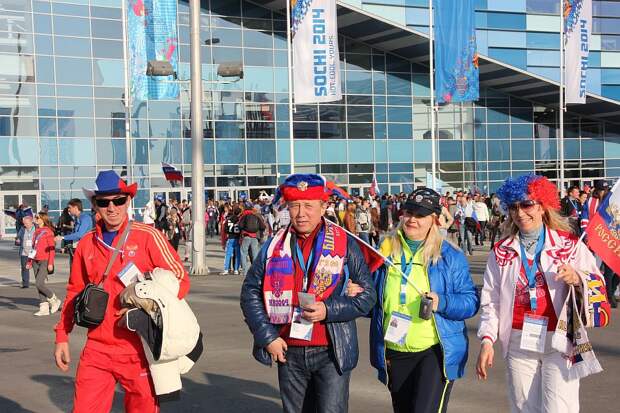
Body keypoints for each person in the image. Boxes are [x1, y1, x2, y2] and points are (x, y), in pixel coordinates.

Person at [53, 170, 189, 413]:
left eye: (118, 200)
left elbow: (180, 278)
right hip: (97, 351)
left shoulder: (148, 236)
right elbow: (74, 291)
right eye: (104, 202)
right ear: (95, 205)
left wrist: (147, 299)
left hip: (139, 349)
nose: (112, 208)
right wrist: (62, 335)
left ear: (128, 201)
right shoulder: (86, 244)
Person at [240, 174, 376, 413]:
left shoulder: (343, 243)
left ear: (323, 207)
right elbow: (250, 292)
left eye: (309, 205)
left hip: (331, 351)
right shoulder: (274, 246)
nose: (301, 213)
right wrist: (267, 337)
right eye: (294, 205)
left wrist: (328, 309)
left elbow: (368, 297)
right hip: (287, 349)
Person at [476, 174, 604, 413]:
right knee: (523, 408)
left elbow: (598, 283)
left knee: (560, 408)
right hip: (518, 340)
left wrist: (577, 278)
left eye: (527, 204)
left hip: (561, 339)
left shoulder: (569, 244)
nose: (520, 213)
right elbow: (491, 300)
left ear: (543, 206)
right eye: (513, 206)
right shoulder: (501, 251)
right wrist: (487, 339)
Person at [366, 188, 479, 413]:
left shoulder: (449, 256)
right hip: (395, 349)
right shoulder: (386, 251)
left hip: (434, 352)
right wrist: (358, 293)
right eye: (408, 213)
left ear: (434, 220)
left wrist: (442, 302)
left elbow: (471, 301)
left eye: (420, 215)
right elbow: (373, 304)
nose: (412, 220)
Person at [31, 212, 60, 316]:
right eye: (35, 217)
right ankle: (44, 308)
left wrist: (50, 263)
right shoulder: (36, 231)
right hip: (35, 260)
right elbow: (33, 247)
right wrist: (29, 261)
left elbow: (52, 249)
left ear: (43, 219)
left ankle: (54, 299)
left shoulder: (48, 231)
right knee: (38, 285)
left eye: (37, 217)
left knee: (39, 283)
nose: (35, 219)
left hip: (45, 260)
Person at [55, 199, 93, 268]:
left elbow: (79, 234)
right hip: (75, 249)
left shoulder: (85, 218)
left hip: (84, 250)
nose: (68, 210)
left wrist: (63, 237)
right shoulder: (76, 218)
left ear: (76, 207)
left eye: (70, 207)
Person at [238, 206, 266, 275]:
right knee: (255, 254)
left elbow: (240, 226)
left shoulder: (244, 216)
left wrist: (244, 230)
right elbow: (263, 226)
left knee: (243, 253)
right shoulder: (256, 216)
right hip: (255, 237)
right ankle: (256, 271)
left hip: (246, 236)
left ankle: (244, 271)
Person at [16, 207, 35, 288]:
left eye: (26, 223)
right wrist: (17, 240)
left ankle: (40, 282)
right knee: (24, 268)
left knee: (36, 268)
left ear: (31, 222)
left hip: (33, 251)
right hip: (24, 251)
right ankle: (25, 284)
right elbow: (18, 237)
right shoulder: (22, 229)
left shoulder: (36, 228)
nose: (25, 225)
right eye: (24, 223)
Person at [221, 207, 241, 275]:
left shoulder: (228, 219)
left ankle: (226, 269)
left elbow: (225, 229)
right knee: (238, 254)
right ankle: (236, 269)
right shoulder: (239, 219)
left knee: (228, 254)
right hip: (237, 238)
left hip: (230, 237)